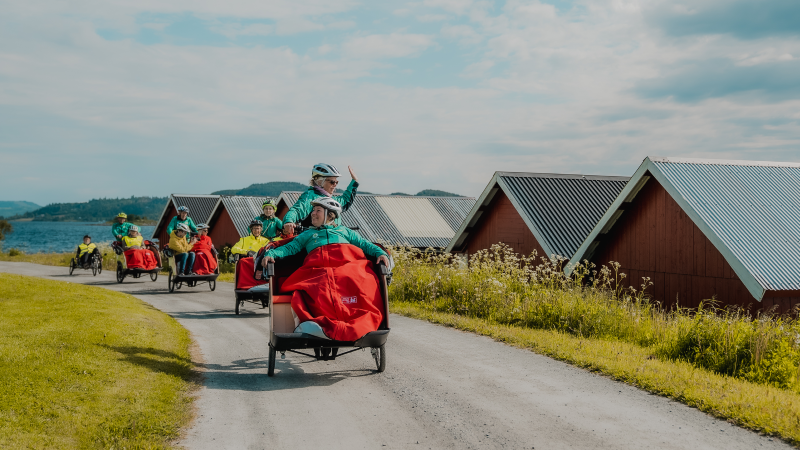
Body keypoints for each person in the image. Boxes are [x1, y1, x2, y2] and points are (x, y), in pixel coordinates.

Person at [262, 198, 389, 342]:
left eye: (318, 211)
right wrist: (271, 253)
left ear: (330, 215)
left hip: (347, 266)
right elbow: (290, 247)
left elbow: (365, 245)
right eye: (313, 210)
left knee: (364, 280)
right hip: (318, 269)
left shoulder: (345, 231)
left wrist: (381, 253)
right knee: (319, 287)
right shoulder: (307, 234)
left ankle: (357, 323)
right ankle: (320, 323)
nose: (313, 214)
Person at [282, 163, 359, 235]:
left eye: (336, 182)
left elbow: (345, 200)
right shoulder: (310, 196)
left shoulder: (331, 199)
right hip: (315, 241)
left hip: (334, 238)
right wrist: (289, 221)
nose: (335, 185)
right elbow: (297, 210)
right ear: (319, 182)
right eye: (332, 182)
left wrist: (354, 181)